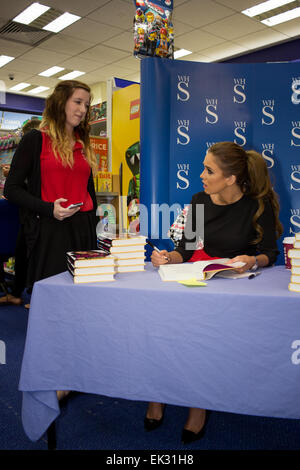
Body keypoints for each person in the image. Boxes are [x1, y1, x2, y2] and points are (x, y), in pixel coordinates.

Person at [147, 141, 283, 444]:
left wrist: (252, 260)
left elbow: (270, 254)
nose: (201, 176)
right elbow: (187, 249)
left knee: (203, 338)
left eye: (209, 170)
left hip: (234, 294)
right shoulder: (198, 200)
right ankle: (157, 393)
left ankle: (199, 404)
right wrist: (168, 258)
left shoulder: (257, 205)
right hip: (197, 283)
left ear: (231, 178)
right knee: (162, 327)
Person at [4, 80, 98, 400]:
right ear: (60, 103)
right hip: (51, 232)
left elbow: (89, 191)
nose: (83, 110)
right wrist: (48, 209)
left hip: (82, 231)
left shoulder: (82, 141)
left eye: (87, 104)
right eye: (78, 102)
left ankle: (76, 371)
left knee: (80, 307)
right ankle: (55, 375)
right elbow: (11, 189)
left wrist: (95, 225)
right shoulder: (36, 140)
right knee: (53, 310)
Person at [0, 118, 41, 307]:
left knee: (34, 254)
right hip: (27, 213)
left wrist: (14, 178)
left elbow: (33, 186)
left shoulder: (39, 152)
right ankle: (17, 293)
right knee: (22, 251)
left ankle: (33, 295)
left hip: (37, 212)